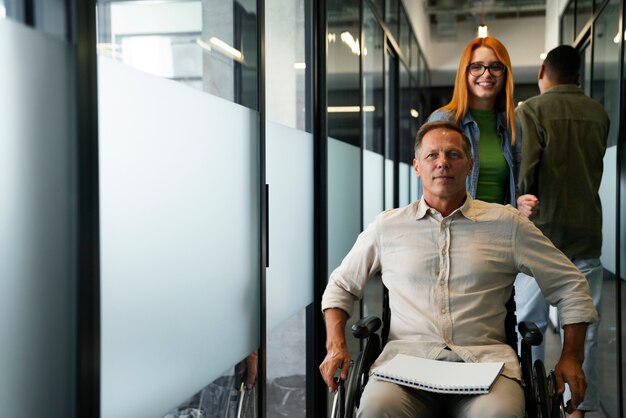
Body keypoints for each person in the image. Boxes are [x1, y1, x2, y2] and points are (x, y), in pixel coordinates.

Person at [319, 120, 597, 418]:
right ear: (416, 166)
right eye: (432, 156)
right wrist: (336, 344)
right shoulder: (388, 226)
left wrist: (572, 356)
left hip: (485, 365)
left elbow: (570, 284)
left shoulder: (507, 224)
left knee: (499, 415)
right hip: (406, 364)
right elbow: (342, 286)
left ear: (470, 165)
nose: (442, 163)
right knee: (375, 410)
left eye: (453, 155)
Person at [514, 44, 609, 418]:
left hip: (542, 237)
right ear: (579, 77)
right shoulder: (598, 113)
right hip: (586, 232)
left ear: (542, 71)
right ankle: (579, 408)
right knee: (585, 328)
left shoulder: (532, 110)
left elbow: (527, 172)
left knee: (529, 323)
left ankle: (531, 401)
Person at [428, 36, 538, 215]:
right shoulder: (445, 121)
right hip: (455, 231)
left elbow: (504, 187)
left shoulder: (511, 125)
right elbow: (429, 189)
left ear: (505, 73)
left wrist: (517, 201)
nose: (486, 74)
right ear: (465, 72)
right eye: (477, 66)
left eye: (495, 66)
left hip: (498, 231)